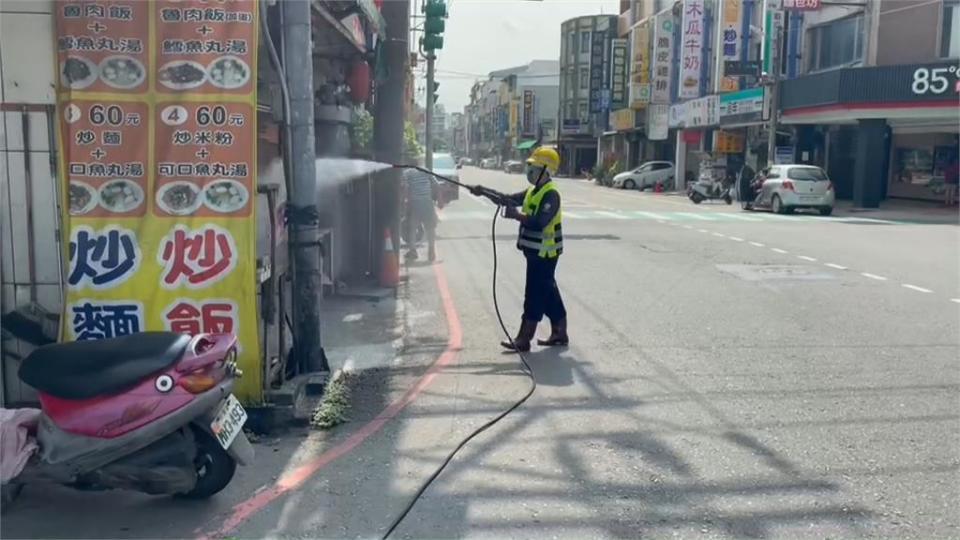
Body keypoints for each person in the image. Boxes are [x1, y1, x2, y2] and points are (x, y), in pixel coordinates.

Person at [469, 146, 568, 352]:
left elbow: (540, 222)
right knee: (548, 291)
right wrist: (483, 191)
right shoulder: (534, 191)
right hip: (534, 252)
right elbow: (509, 198)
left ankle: (524, 338)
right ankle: (560, 332)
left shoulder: (551, 195)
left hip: (545, 254)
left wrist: (516, 216)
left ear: (546, 170)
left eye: (534, 167)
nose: (529, 171)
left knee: (534, 294)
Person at [402, 163, 438, 262]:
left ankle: (413, 251)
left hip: (415, 203)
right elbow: (436, 184)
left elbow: (405, 188)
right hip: (427, 202)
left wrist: (405, 202)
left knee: (413, 227)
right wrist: (438, 199)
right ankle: (431, 251)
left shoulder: (407, 173)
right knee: (430, 228)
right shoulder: (425, 170)